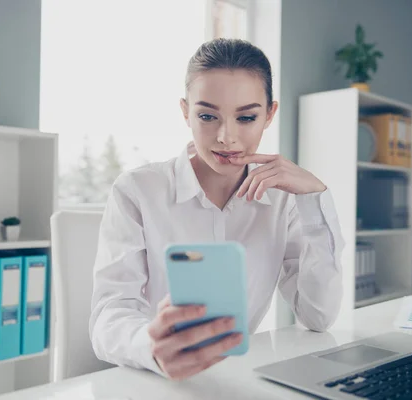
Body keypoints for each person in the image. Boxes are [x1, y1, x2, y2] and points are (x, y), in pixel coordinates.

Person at [89, 38, 344, 381]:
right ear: (185, 112)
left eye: (246, 117)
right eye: (208, 116)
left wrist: (314, 197)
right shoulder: (137, 191)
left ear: (269, 115)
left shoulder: (283, 201)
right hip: (152, 382)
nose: (226, 137)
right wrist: (151, 345)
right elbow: (108, 316)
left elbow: (319, 316)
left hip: (239, 381)